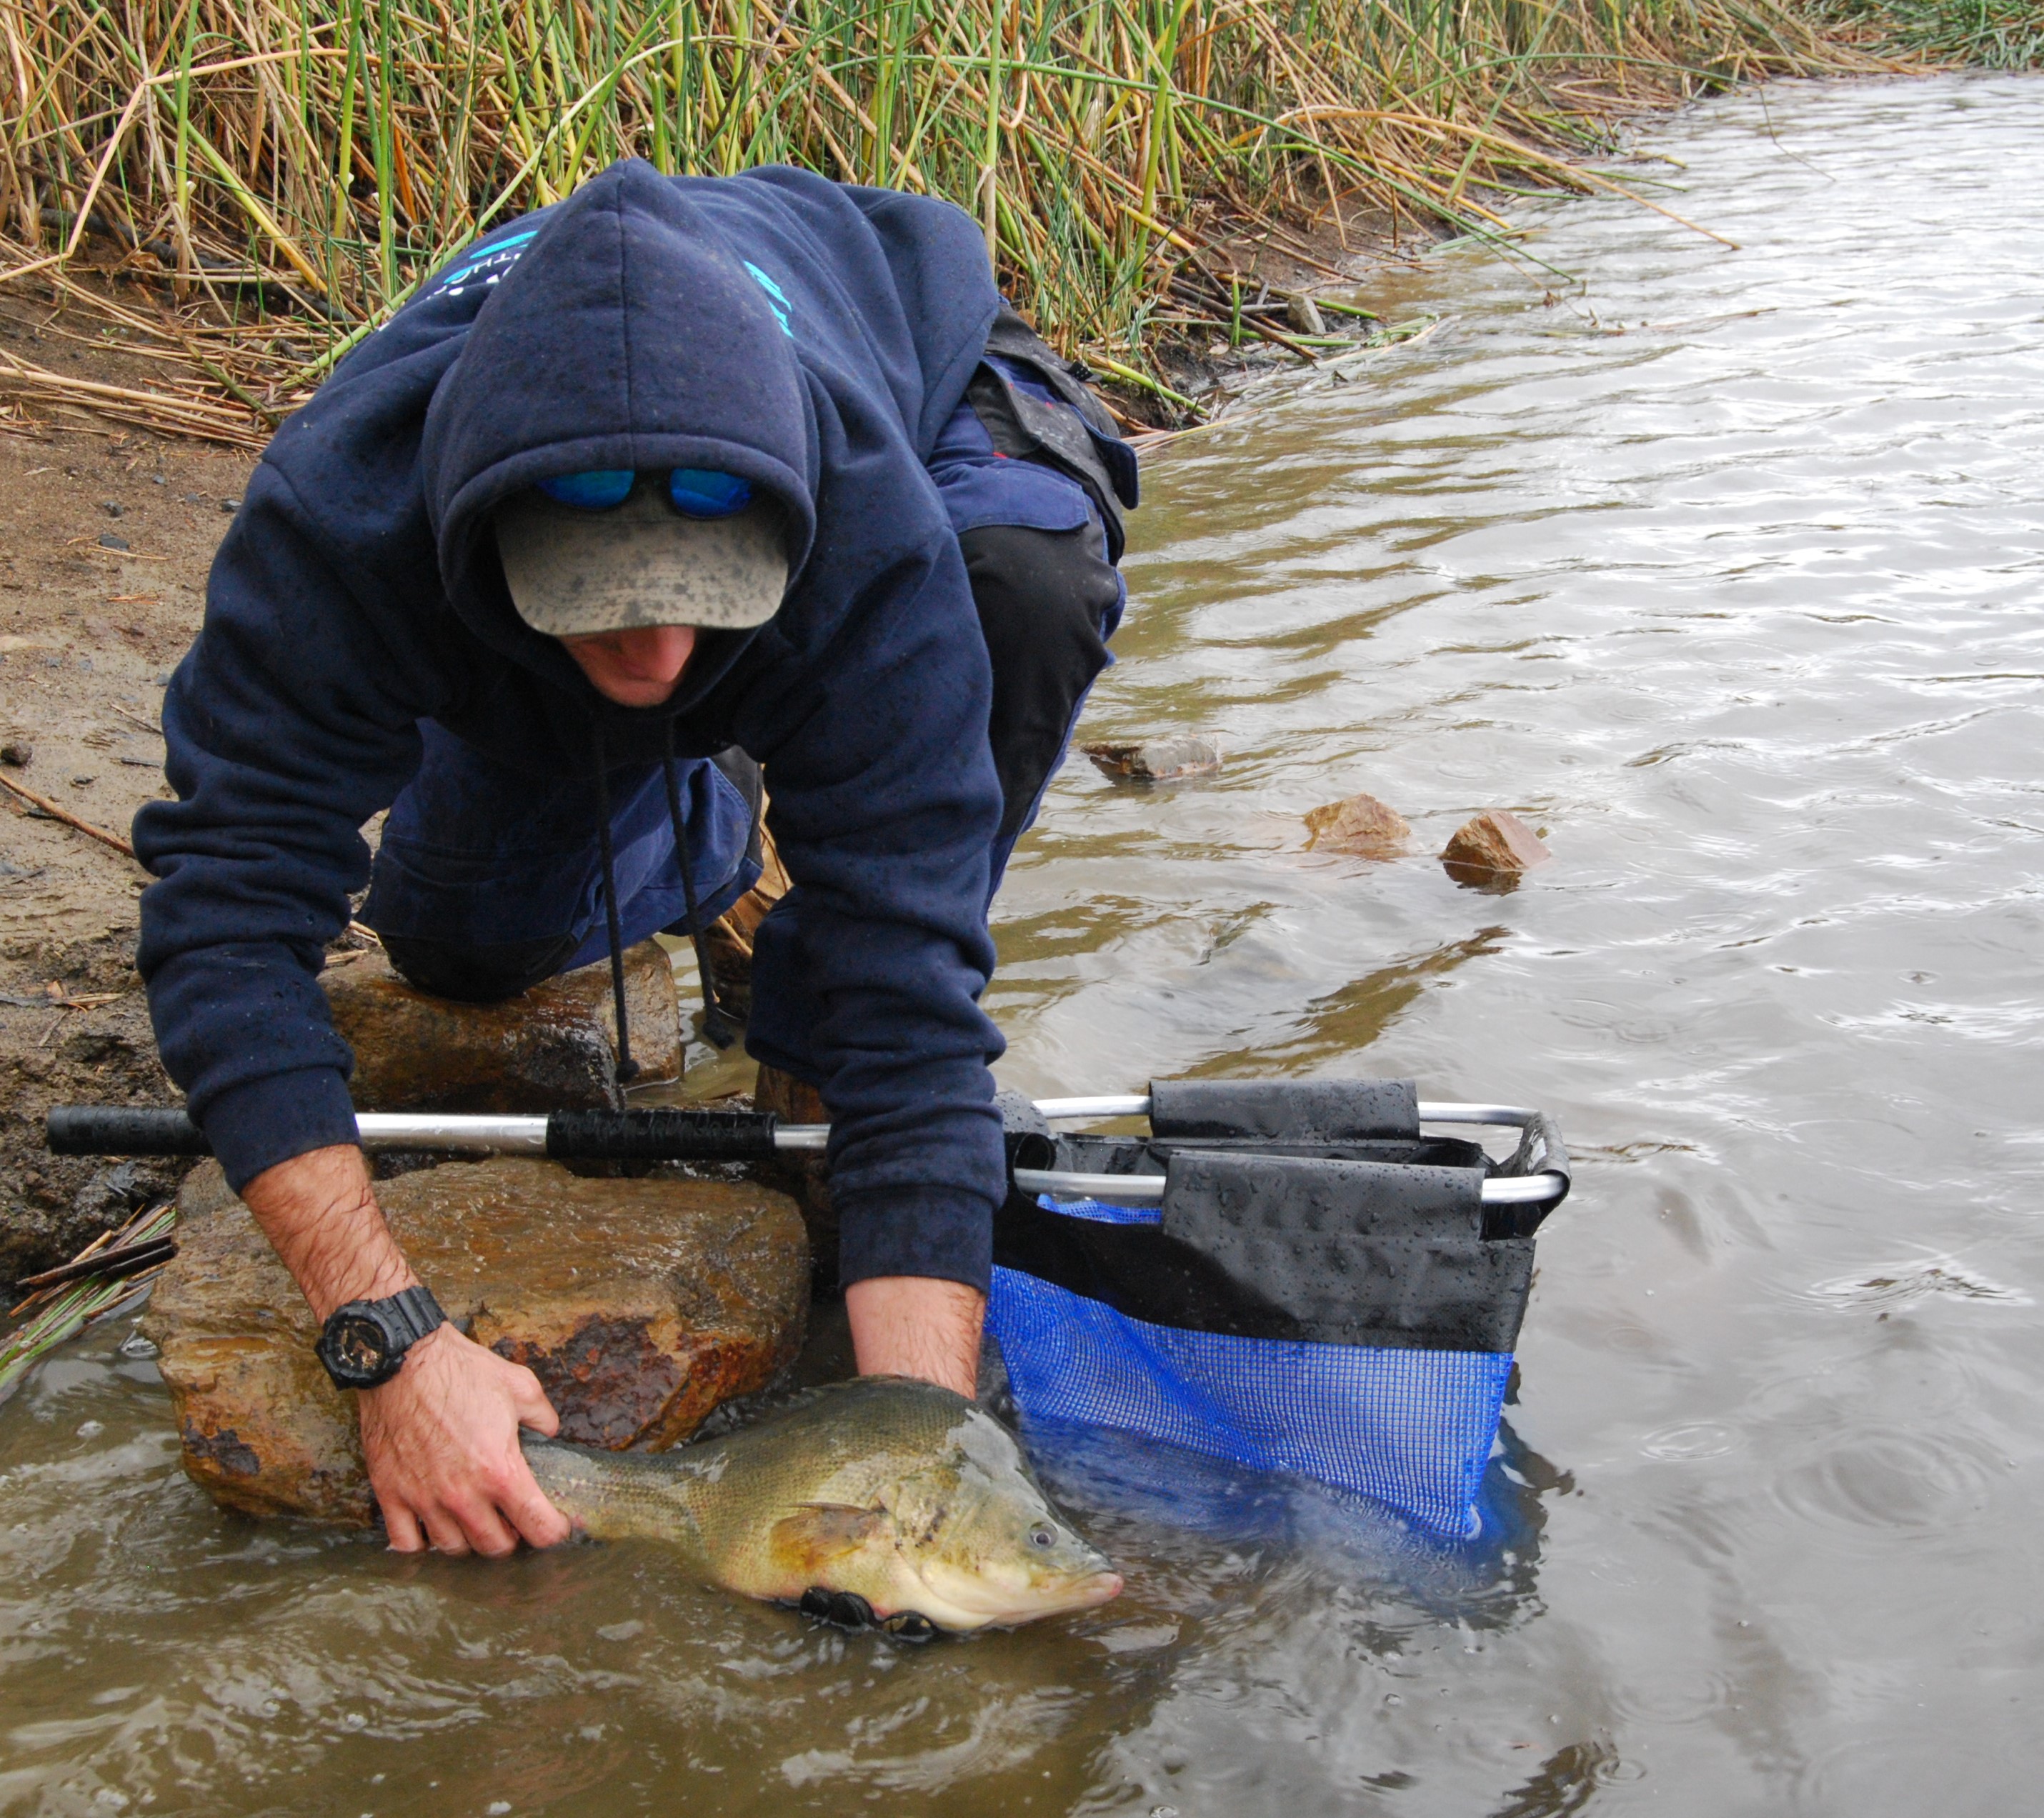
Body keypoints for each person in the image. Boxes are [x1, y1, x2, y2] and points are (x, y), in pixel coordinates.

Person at [133, 159, 1137, 1559]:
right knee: (462, 949)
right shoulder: (339, 520)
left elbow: (914, 1029)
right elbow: (223, 920)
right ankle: (717, 837)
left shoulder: (865, 527)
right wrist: (387, 1343)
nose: (660, 655)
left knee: (1026, 586)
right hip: (493, 601)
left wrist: (914, 1460)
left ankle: (801, 969)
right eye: (600, 607)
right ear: (483, 552)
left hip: (918, 371)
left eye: (697, 611)